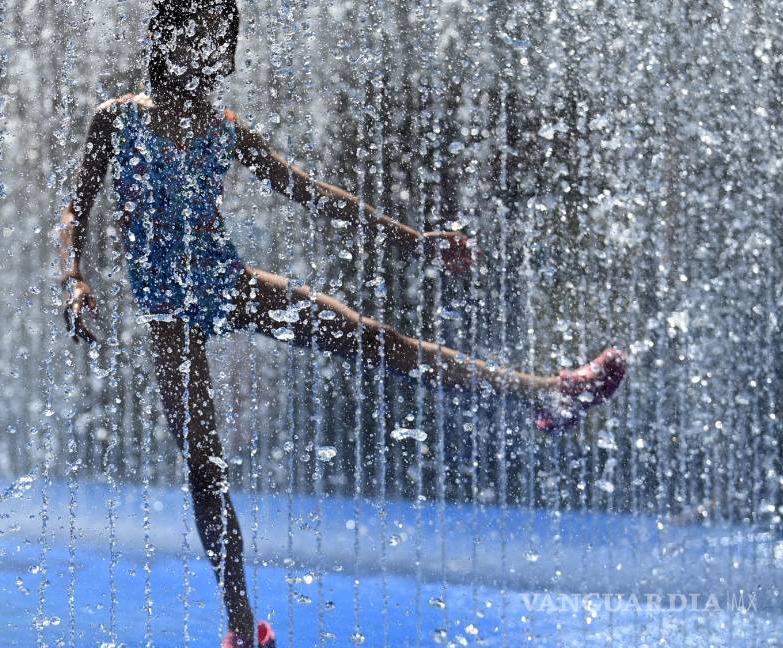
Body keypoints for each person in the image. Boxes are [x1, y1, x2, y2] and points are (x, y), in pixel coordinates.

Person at [55, 1, 626, 645]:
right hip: (168, 313)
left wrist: (414, 240)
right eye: (209, 40)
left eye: (221, 45)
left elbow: (310, 190)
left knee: (380, 342)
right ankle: (242, 630)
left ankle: (548, 393)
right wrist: (75, 276)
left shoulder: (222, 126)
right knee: (205, 467)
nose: (216, 58)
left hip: (231, 285)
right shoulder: (117, 120)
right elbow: (76, 208)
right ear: (171, 39)